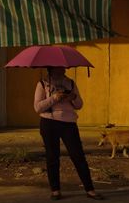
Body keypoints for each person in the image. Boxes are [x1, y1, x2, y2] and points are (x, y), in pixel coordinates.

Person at [34, 67, 104, 201]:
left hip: (68, 123)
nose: (63, 70)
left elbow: (79, 105)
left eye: (63, 68)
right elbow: (37, 107)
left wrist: (73, 97)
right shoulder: (42, 84)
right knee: (52, 156)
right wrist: (54, 98)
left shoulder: (70, 83)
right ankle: (55, 190)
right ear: (51, 69)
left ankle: (90, 189)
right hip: (49, 122)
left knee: (78, 155)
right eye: (59, 68)